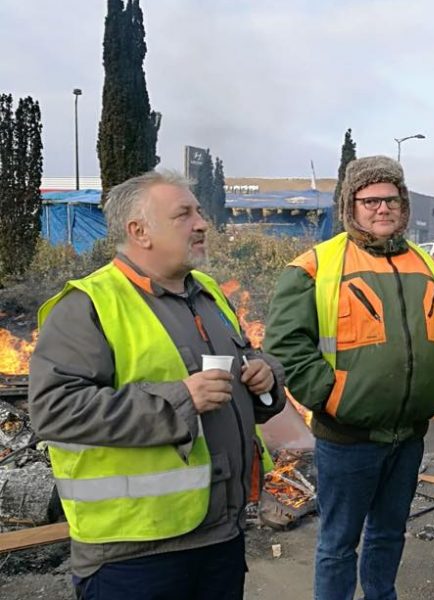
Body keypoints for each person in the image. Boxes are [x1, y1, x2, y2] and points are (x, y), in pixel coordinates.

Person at [28, 170, 286, 600]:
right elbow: (54, 409)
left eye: (199, 212)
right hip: (134, 556)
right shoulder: (89, 305)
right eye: (184, 214)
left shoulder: (206, 293)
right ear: (139, 231)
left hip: (220, 536)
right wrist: (180, 399)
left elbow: (245, 365)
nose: (202, 223)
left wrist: (264, 378)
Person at [264, 156, 434, 600]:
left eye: (390, 198)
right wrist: (333, 397)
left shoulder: (432, 267)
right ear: (352, 204)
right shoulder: (314, 267)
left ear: (402, 204)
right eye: (370, 200)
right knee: (337, 543)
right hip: (346, 438)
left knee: (389, 534)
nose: (382, 208)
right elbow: (286, 344)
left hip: (409, 437)